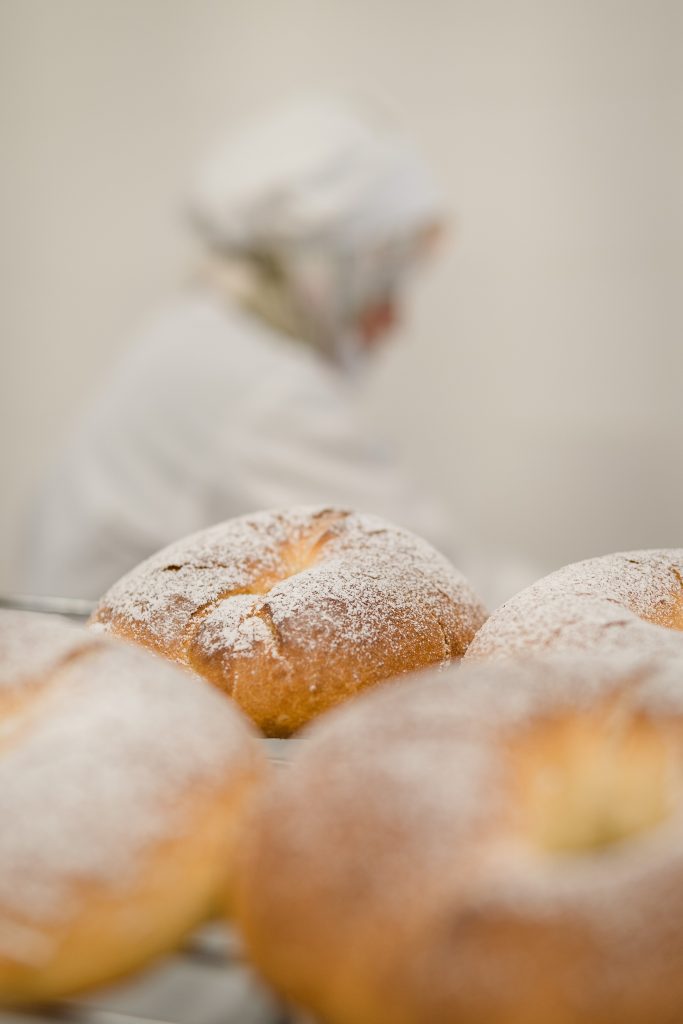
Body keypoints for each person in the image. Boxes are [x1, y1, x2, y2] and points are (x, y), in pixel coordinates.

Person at [22, 96, 455, 600]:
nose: (392, 320)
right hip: (111, 668)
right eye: (381, 285)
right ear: (319, 276)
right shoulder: (263, 392)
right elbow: (431, 583)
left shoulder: (199, 334)